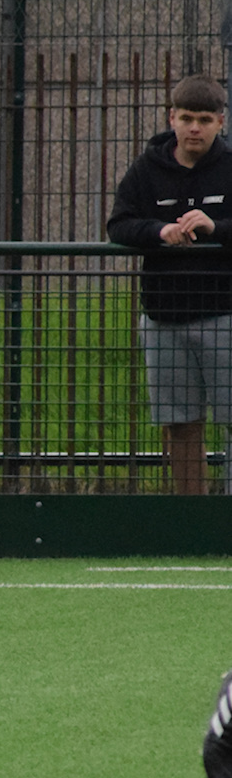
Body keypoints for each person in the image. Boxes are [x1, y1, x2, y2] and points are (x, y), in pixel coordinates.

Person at [107, 76, 232, 495]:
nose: (194, 128)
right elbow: (119, 224)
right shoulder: (146, 169)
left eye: (203, 119)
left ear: (220, 122)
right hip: (164, 320)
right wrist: (159, 232)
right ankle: (192, 515)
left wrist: (216, 227)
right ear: (171, 119)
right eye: (186, 118)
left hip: (225, 316)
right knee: (180, 424)